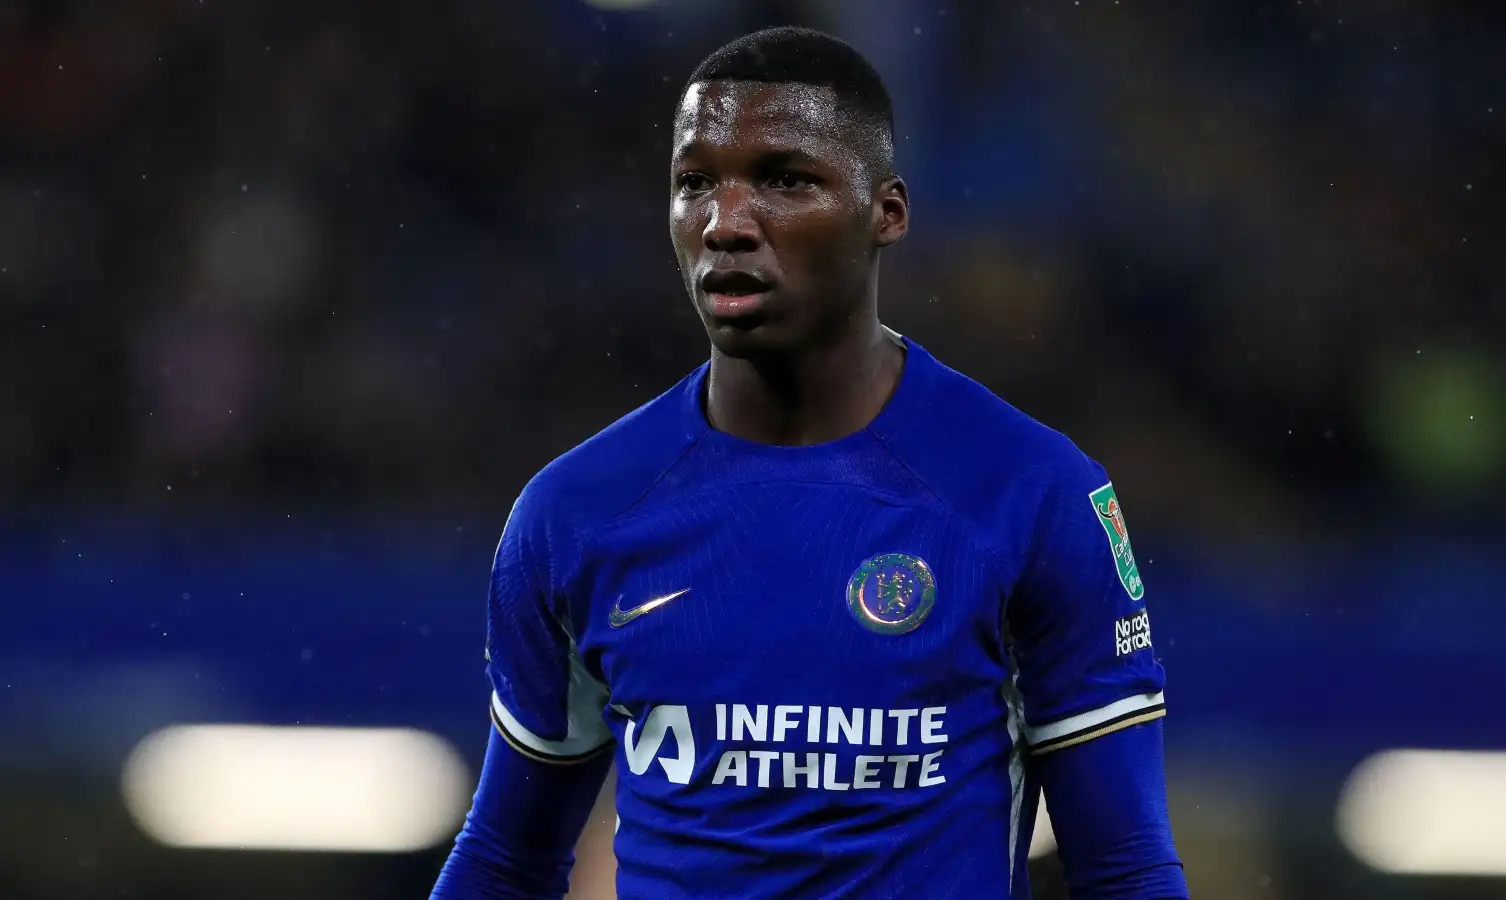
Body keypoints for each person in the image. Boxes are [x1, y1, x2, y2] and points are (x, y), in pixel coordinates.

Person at [431, 26, 1188, 900]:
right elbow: (503, 858)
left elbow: (1124, 866)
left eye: (787, 180)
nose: (726, 223)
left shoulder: (1033, 494)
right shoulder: (574, 515)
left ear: (887, 213)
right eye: (694, 183)